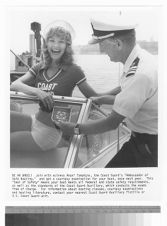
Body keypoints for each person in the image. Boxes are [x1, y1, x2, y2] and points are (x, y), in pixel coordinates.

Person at [57, 18, 158, 167]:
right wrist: (103, 98)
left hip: (149, 144)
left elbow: (112, 122)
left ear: (118, 44)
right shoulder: (140, 60)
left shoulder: (139, 74)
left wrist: (75, 129)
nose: (101, 51)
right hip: (143, 138)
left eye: (102, 45)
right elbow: (127, 90)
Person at [10, 21, 100, 152]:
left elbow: (94, 97)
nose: (56, 45)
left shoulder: (74, 70)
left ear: (67, 46)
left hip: (49, 132)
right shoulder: (40, 67)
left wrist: (118, 92)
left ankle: (60, 142)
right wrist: (37, 91)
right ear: (47, 44)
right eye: (52, 40)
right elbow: (14, 85)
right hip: (35, 120)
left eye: (61, 41)